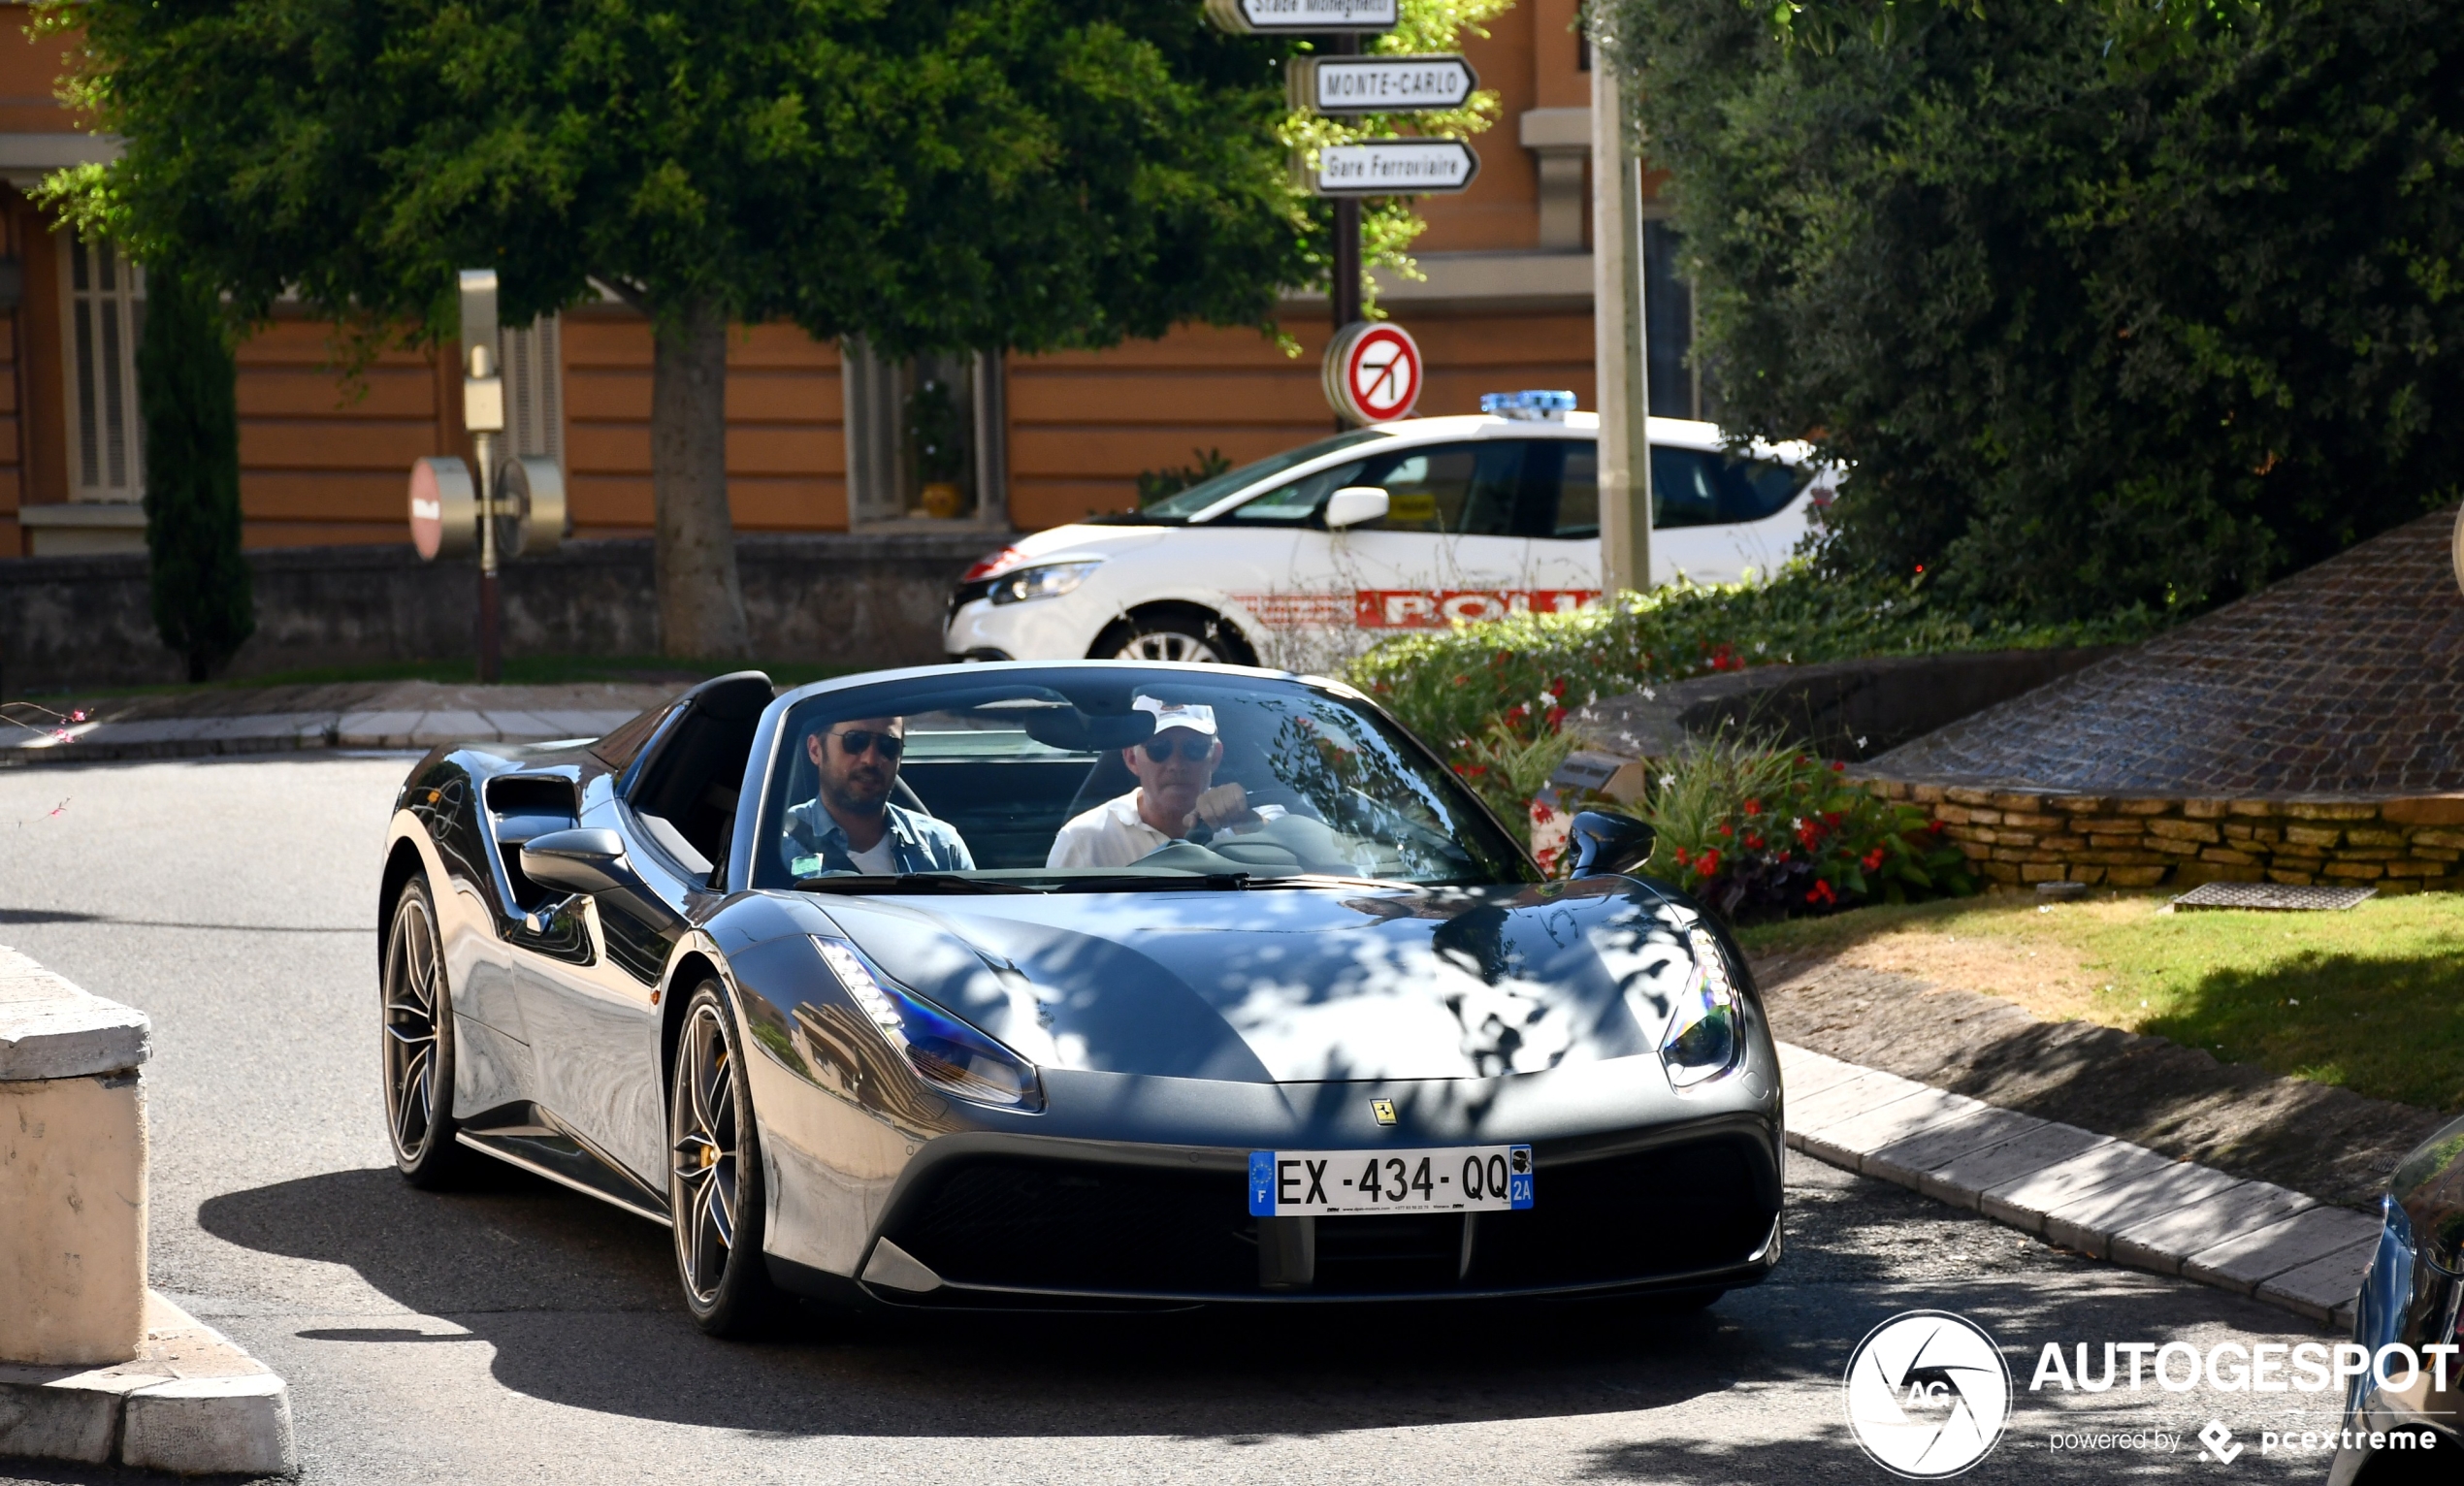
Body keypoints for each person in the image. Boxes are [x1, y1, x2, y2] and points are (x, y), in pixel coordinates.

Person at [1046, 698, 1278, 869]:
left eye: (1193, 749)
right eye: (1159, 749)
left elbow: (1308, 868)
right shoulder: (1084, 839)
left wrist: (1247, 824)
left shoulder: (1256, 815)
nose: (1176, 764)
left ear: (1215, 756)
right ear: (1131, 758)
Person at [782, 716, 973, 878]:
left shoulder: (943, 848)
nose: (871, 759)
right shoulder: (776, 845)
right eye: (856, 741)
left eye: (888, 745)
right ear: (816, 750)